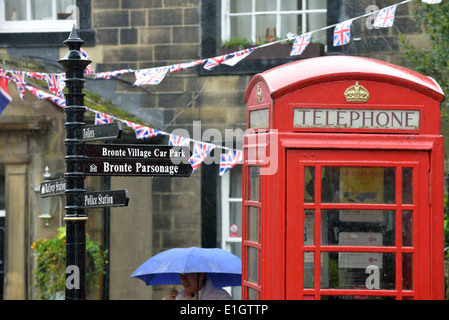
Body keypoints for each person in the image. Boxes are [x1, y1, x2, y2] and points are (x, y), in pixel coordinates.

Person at [164, 273, 232, 300]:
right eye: (181, 275)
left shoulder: (220, 296)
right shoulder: (179, 296)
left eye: (187, 275)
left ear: (201, 275)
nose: (183, 280)